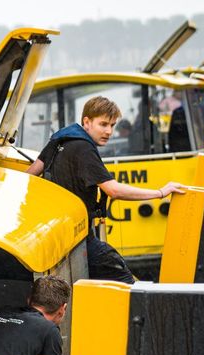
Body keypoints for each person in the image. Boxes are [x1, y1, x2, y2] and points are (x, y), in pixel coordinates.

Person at [25, 96, 186, 283]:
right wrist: (159, 193)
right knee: (127, 283)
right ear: (87, 122)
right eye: (103, 124)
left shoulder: (58, 139)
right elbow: (113, 190)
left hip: (56, 238)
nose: (109, 131)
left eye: (112, 125)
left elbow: (30, 175)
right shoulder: (84, 149)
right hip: (80, 240)